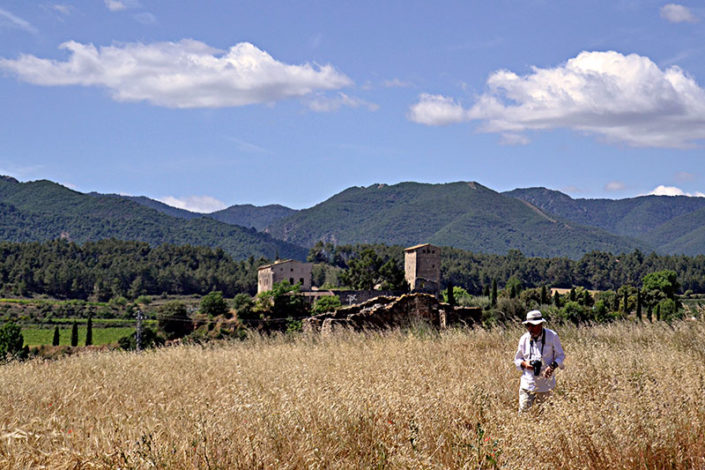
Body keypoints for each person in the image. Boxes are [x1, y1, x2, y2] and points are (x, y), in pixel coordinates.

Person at [514, 310, 565, 413]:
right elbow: (517, 359)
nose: (530, 329)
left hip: (546, 386)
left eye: (533, 325)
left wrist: (552, 367)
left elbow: (561, 355)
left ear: (541, 324)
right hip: (527, 384)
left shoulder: (552, 336)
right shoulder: (524, 339)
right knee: (524, 415)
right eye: (528, 326)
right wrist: (525, 365)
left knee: (546, 416)